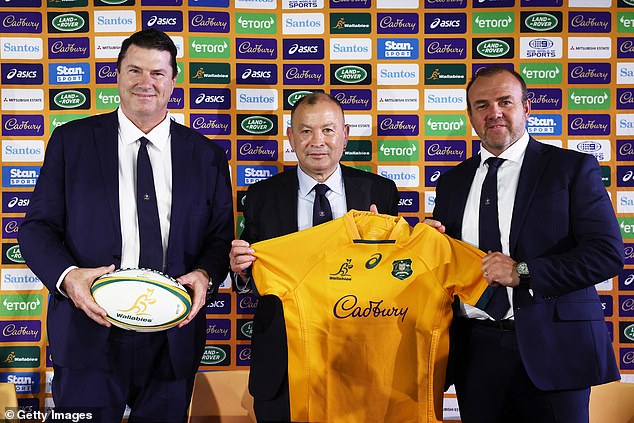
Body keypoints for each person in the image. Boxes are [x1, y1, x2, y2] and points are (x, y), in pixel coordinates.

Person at [18, 28, 233, 423]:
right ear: (117, 75)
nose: (145, 82)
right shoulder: (71, 142)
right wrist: (69, 278)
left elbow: (220, 238)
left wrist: (206, 273)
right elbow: (36, 228)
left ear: (172, 81)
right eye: (134, 70)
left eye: (157, 73)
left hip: (173, 339)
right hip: (88, 331)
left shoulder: (207, 156)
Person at [432, 65, 623, 423]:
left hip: (554, 348)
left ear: (526, 107)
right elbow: (451, 264)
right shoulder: (452, 182)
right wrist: (430, 243)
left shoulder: (571, 168)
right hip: (476, 351)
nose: (495, 113)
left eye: (505, 101)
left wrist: (524, 271)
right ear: (470, 115)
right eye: (482, 105)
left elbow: (608, 254)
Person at [229, 92, 399, 421]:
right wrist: (241, 270)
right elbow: (250, 272)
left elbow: (398, 276)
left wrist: (387, 250)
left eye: (328, 130)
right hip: (283, 362)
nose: (317, 141)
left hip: (360, 357)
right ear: (291, 137)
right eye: (305, 131)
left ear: (346, 135)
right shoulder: (261, 196)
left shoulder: (380, 192)